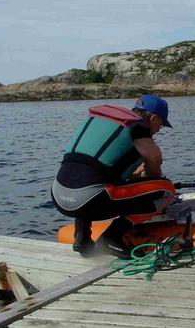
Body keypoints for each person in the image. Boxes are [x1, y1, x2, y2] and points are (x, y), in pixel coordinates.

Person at [51, 94, 175, 258]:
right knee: (166, 189)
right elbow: (154, 164)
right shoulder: (138, 128)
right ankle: (112, 237)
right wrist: (151, 182)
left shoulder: (104, 122)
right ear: (153, 118)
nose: (160, 129)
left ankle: (82, 239)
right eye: (161, 124)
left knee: (87, 183)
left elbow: (96, 168)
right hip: (90, 198)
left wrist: (134, 175)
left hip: (59, 196)